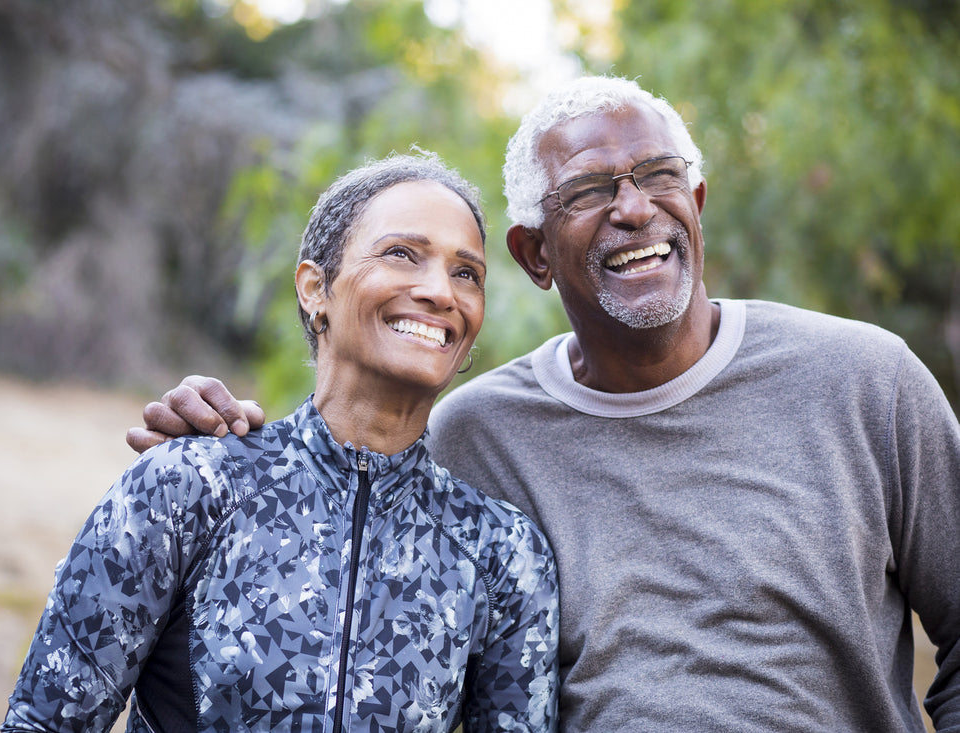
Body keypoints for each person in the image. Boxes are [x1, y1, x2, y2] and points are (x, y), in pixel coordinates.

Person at [131, 75, 960, 732]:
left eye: (660, 177)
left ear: (696, 206)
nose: (636, 209)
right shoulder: (480, 435)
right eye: (591, 190)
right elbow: (337, 511)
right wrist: (223, 438)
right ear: (533, 254)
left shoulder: (863, 381)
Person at [3, 152, 560, 732]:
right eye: (402, 254)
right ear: (315, 287)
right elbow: (44, 723)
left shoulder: (504, 555)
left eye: (466, 272)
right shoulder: (190, 487)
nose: (440, 291)